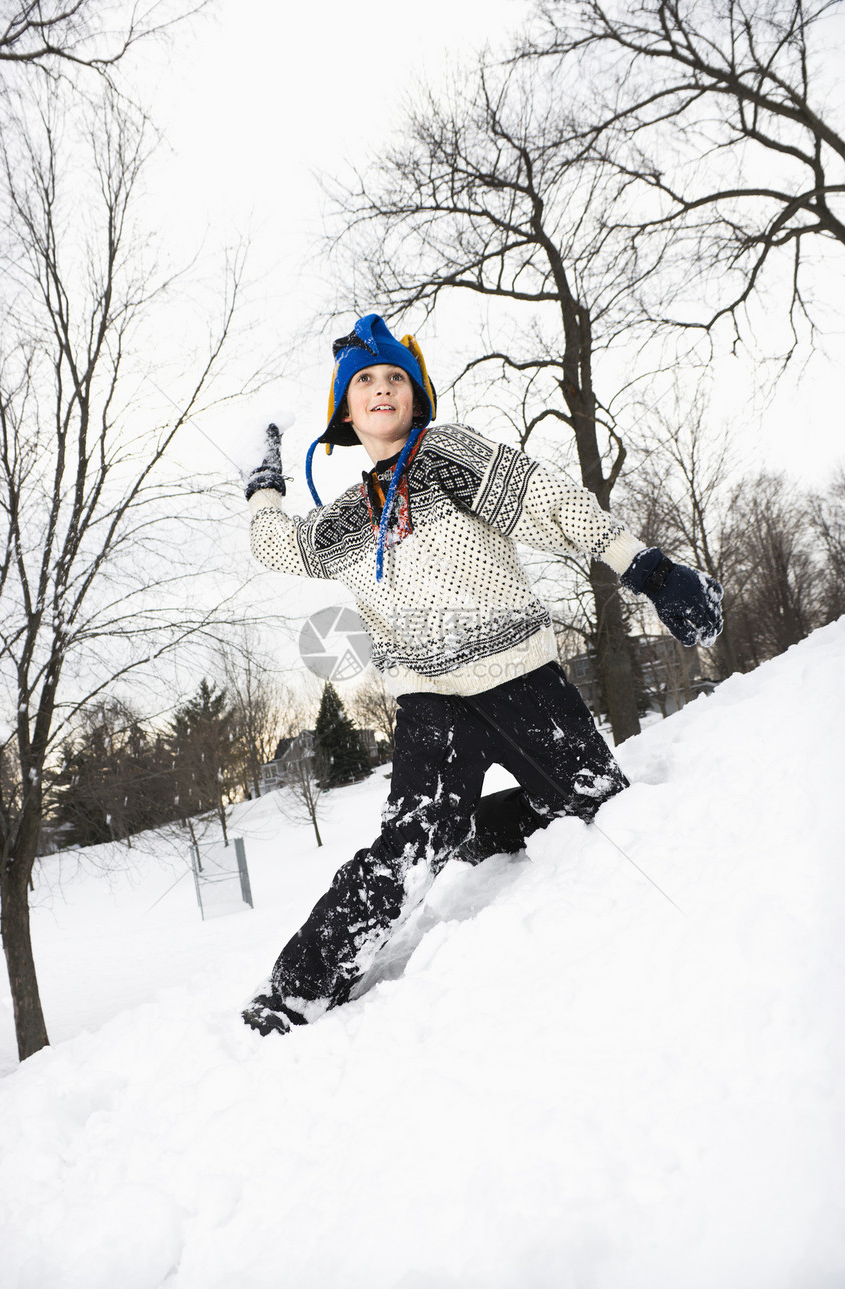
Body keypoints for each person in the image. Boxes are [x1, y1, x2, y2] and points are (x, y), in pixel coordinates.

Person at [241, 314, 723, 1035]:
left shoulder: (450, 456)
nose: (380, 389)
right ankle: (294, 991)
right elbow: (280, 547)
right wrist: (263, 485)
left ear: (415, 393)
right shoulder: (345, 521)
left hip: (521, 681)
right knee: (406, 850)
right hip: (430, 706)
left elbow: (551, 502)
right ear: (344, 409)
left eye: (393, 377)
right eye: (364, 381)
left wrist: (646, 567)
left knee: (598, 807)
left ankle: (480, 823)